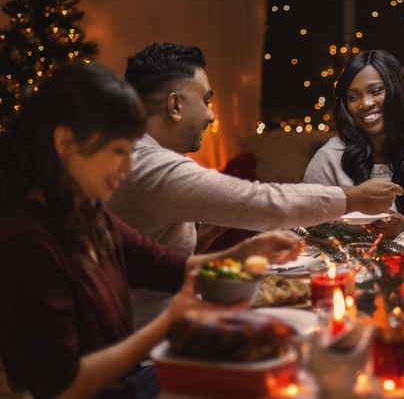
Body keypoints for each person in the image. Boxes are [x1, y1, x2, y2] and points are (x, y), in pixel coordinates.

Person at [0, 62, 302, 398]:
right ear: (65, 142)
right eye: (118, 150)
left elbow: (172, 269)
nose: (128, 165)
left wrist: (244, 253)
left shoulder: (83, 214)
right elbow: (62, 386)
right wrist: (167, 324)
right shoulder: (28, 241)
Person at [106, 43, 403, 328]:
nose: (211, 115)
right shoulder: (150, 165)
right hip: (155, 344)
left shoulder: (138, 154)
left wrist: (200, 241)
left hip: (178, 323)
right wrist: (356, 197)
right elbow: (261, 200)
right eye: (206, 101)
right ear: (175, 105)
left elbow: (152, 266)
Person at [303, 49, 404, 238]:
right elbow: (308, 223)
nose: (365, 104)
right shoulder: (329, 158)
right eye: (353, 97)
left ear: (398, 91)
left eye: (376, 91)